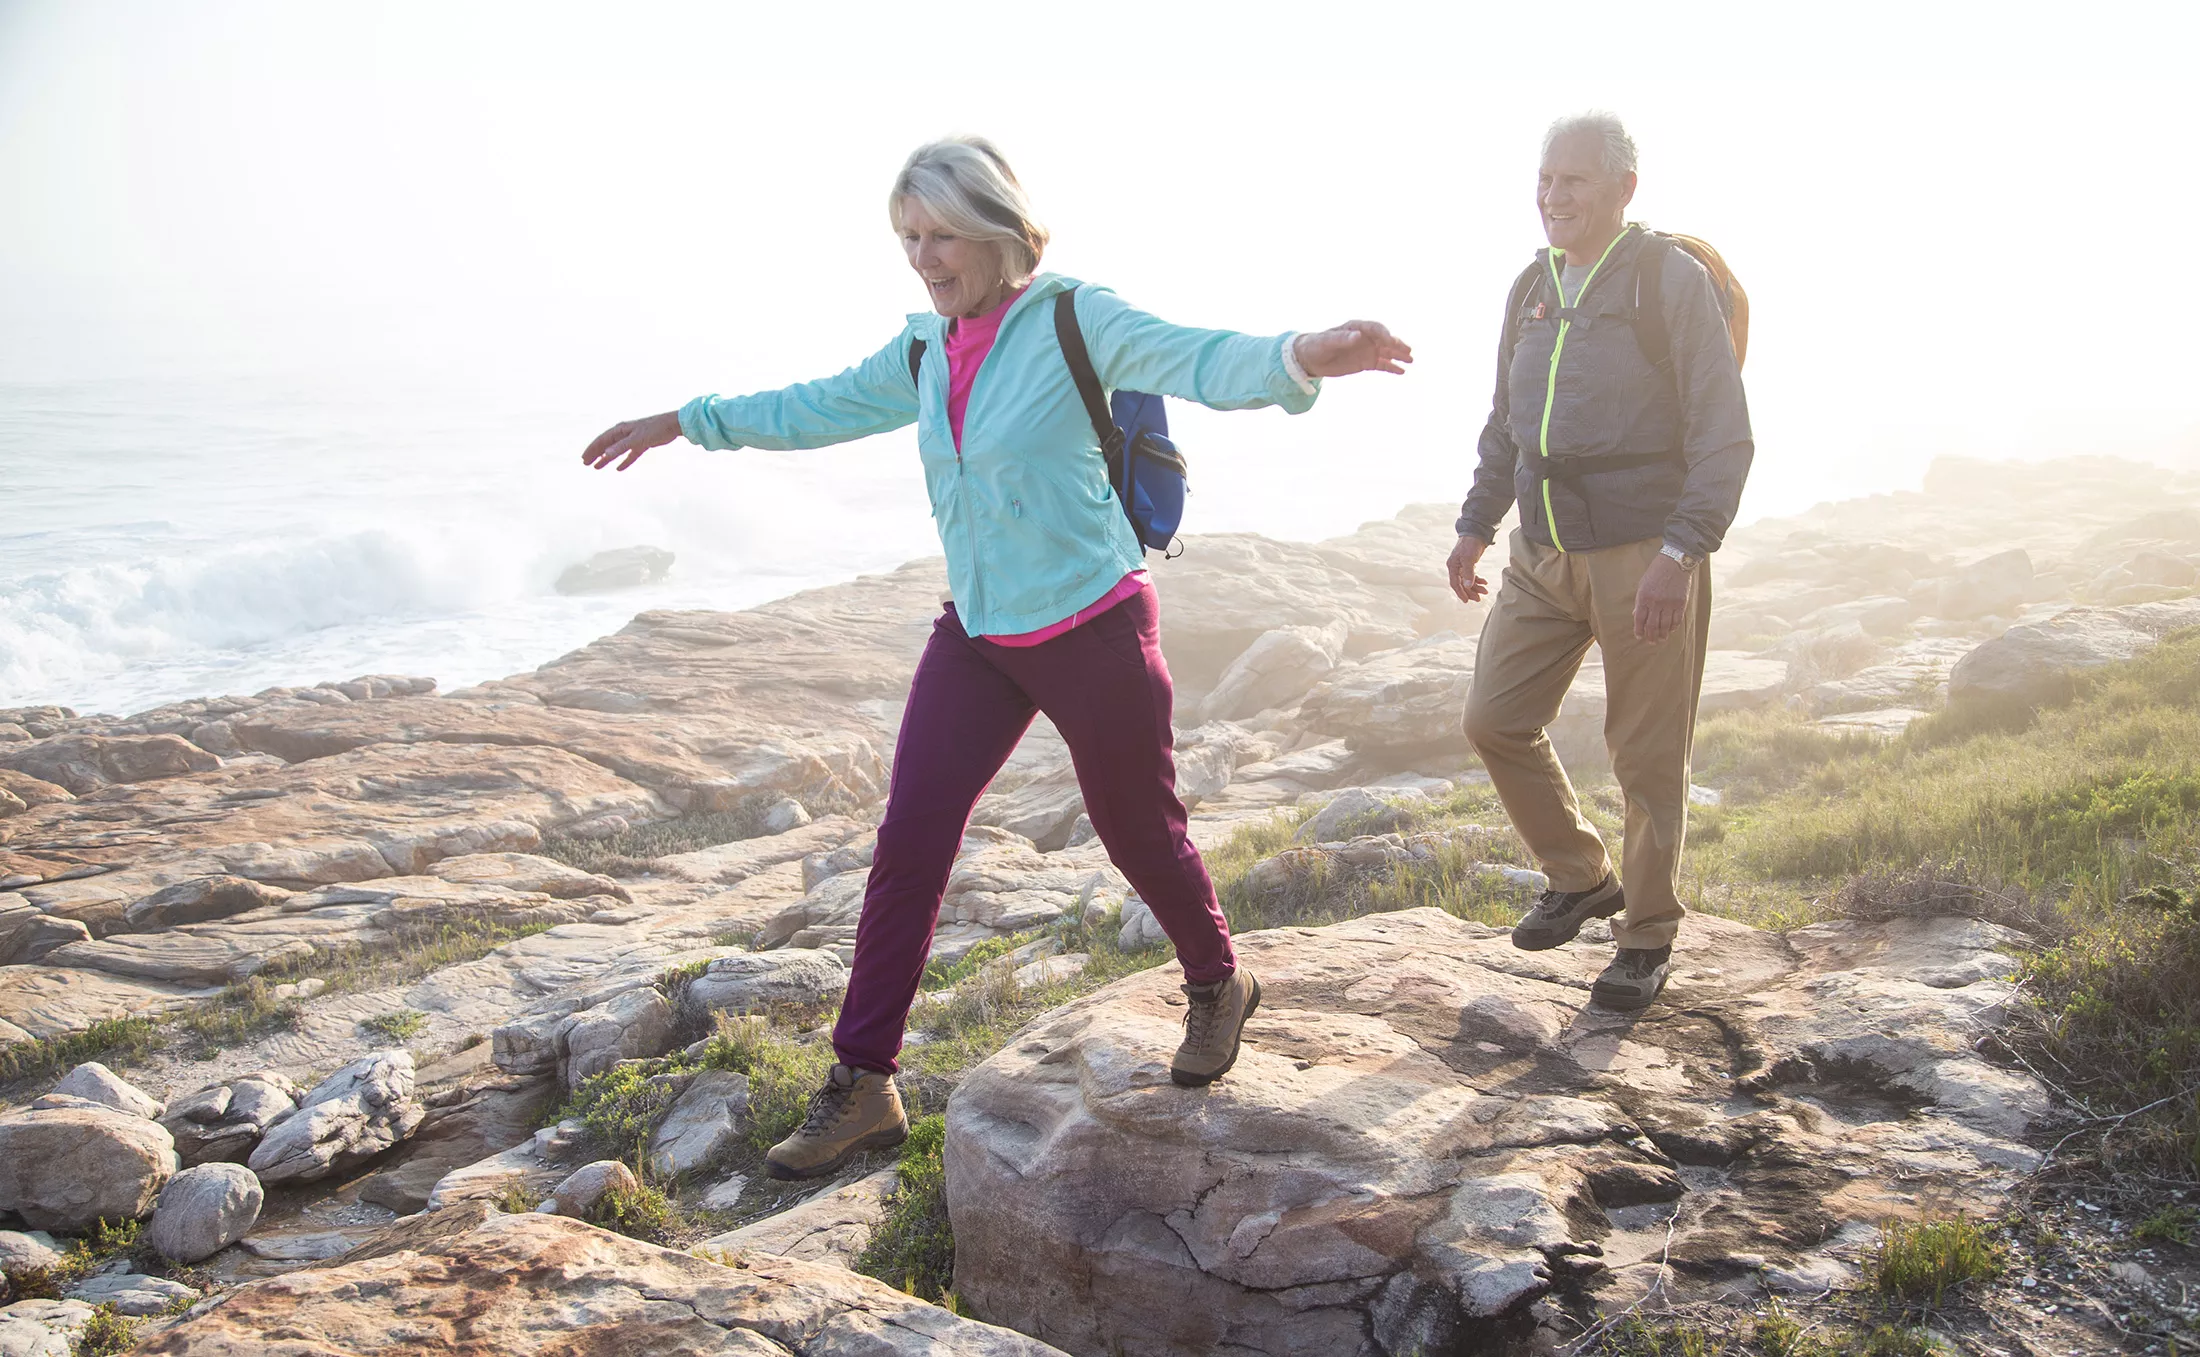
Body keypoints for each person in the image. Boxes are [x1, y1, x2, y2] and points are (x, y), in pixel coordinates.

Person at [584, 136, 1413, 1179]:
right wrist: (684, 421)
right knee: (910, 838)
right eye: (907, 238)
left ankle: (1215, 979)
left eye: (940, 235)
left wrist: (1302, 355)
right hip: (979, 631)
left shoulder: (1073, 316)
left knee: (1136, 827)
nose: (924, 259)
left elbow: (1196, 356)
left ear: (996, 230)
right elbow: (815, 406)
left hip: (1091, 621)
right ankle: (863, 1081)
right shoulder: (925, 349)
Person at [1445, 111, 1752, 1011]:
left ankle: (1647, 933)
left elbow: (1723, 431)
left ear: (1623, 188)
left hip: (1643, 552)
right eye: (1545, 178)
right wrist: (1475, 524)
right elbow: (1508, 420)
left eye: (1574, 179)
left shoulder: (1668, 281)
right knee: (1493, 718)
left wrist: (1683, 550)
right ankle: (1580, 874)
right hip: (1540, 551)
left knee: (1645, 756)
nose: (1554, 195)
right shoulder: (1528, 287)